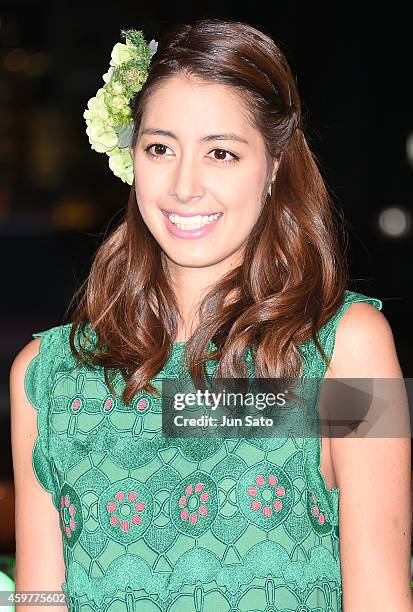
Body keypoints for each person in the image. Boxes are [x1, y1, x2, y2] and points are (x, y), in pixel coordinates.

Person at [10, 17, 412, 612]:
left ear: (274, 166)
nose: (185, 185)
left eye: (220, 153)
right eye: (160, 148)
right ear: (131, 159)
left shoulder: (351, 349)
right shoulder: (45, 376)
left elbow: (380, 594)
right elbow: (40, 595)